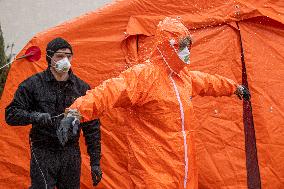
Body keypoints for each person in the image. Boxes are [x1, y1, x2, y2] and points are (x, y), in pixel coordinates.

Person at [64, 17, 250, 189]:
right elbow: (110, 91)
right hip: (154, 172)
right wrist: (76, 112)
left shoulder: (182, 77)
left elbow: (208, 83)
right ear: (167, 47)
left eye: (188, 46)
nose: (186, 52)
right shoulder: (144, 76)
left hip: (184, 171)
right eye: (181, 46)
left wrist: (235, 88)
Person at [5, 37, 102, 189]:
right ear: (49, 57)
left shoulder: (81, 88)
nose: (65, 60)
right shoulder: (33, 84)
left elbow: (92, 127)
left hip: (70, 153)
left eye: (68, 56)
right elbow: (11, 114)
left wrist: (95, 162)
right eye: (60, 56)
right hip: (43, 151)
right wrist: (36, 116)